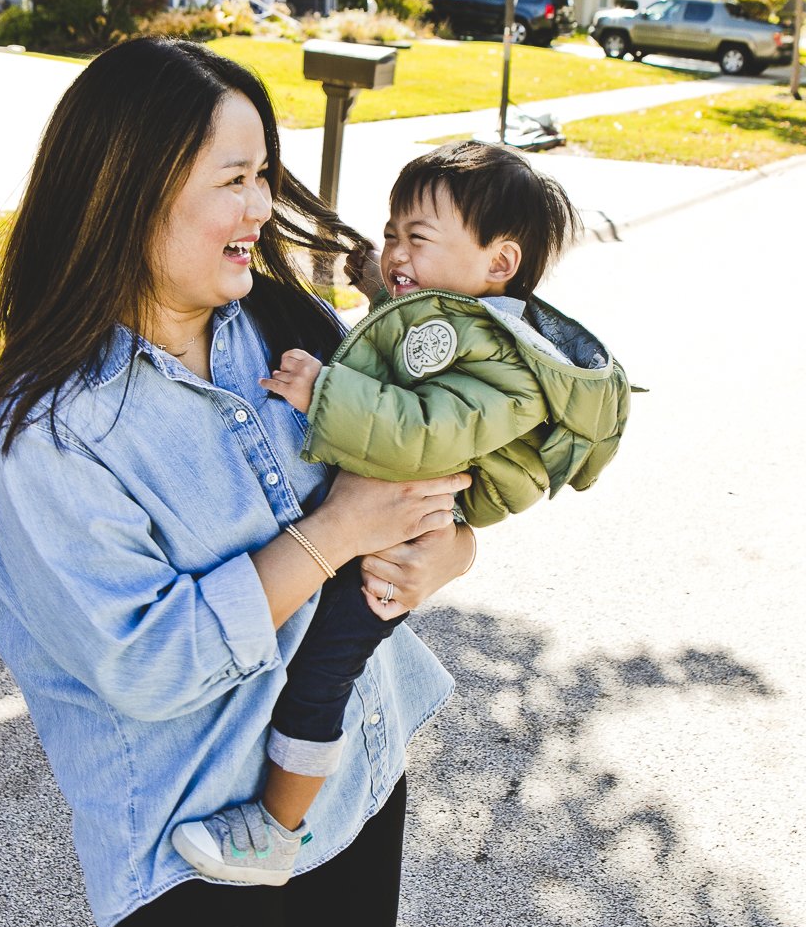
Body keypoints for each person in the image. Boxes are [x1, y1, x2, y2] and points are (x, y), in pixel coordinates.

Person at [0, 37, 477, 927]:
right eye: (234, 179)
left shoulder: (289, 326)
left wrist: (444, 551)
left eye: (265, 174)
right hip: (191, 851)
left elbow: (427, 484)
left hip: (356, 776)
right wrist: (335, 531)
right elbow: (147, 663)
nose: (263, 206)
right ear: (129, 194)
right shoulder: (49, 432)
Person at [172, 141, 630, 885]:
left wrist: (324, 393)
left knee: (321, 674)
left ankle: (276, 829)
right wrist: (381, 289)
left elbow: (425, 433)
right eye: (391, 232)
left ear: (499, 264)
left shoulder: (506, 362)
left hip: (396, 537)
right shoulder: (459, 317)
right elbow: (410, 352)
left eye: (417, 238)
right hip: (393, 521)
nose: (394, 249)